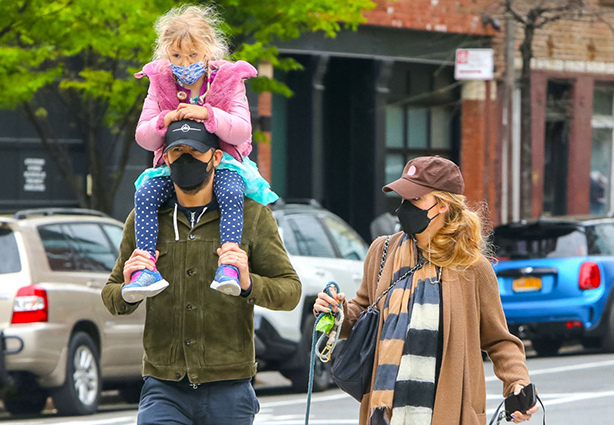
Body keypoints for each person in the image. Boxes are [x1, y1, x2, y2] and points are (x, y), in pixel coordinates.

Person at [102, 118, 301, 425]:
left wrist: (248, 284)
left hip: (229, 388)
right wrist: (127, 286)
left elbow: (290, 291)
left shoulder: (252, 216)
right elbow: (112, 295)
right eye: (176, 151)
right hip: (164, 387)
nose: (185, 159)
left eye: (194, 152)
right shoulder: (145, 219)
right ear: (165, 157)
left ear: (215, 157)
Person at [314, 156, 539, 425]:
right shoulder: (383, 251)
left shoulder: (472, 267)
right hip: (386, 413)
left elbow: (499, 340)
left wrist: (517, 383)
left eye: (415, 200)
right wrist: (336, 311)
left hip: (447, 414)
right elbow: (363, 313)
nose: (405, 208)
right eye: (403, 199)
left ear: (443, 205)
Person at [123, 4, 278, 304]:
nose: (185, 63)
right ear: (166, 54)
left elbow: (242, 131)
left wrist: (208, 114)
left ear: (209, 50)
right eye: (177, 56)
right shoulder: (159, 83)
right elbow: (143, 137)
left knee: (231, 193)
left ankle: (229, 264)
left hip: (222, 163)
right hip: (174, 166)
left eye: (193, 55)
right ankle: (146, 267)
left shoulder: (228, 81)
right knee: (144, 195)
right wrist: (163, 121)